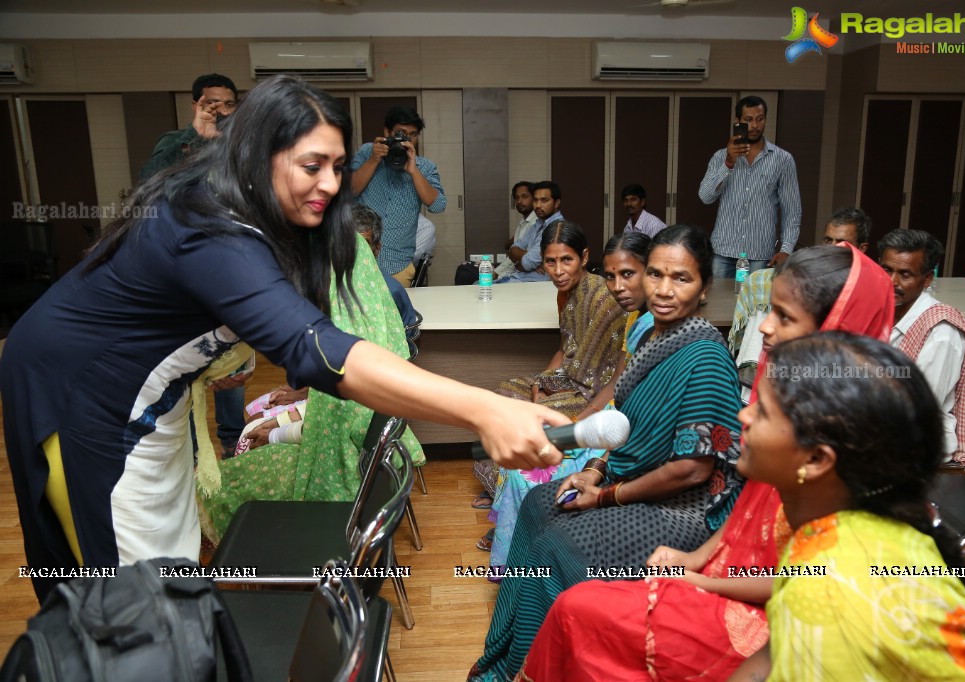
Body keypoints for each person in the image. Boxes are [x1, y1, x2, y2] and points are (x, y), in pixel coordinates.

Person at [0, 75, 567, 602]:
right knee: (129, 594)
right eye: (311, 164)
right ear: (257, 157)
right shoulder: (209, 225)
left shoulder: (277, 222)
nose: (329, 184)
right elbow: (316, 347)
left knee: (171, 569)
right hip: (90, 400)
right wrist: (485, 409)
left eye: (339, 166)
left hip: (158, 400)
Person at [517, 242, 895, 682]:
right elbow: (744, 519)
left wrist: (692, 571)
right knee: (542, 515)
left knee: (573, 590)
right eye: (654, 275)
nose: (766, 329)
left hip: (759, 591)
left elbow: (806, 577)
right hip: (722, 563)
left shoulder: (848, 444)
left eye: (785, 317)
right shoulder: (781, 392)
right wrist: (691, 558)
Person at [470, 225, 745, 682]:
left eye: (681, 278)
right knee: (540, 505)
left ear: (705, 289)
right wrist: (595, 470)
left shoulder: (706, 358)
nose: (663, 289)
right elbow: (623, 427)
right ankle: (509, 649)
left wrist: (606, 496)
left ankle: (537, 666)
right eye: (655, 274)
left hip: (684, 510)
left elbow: (692, 470)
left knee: (561, 545)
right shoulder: (649, 337)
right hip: (627, 478)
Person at [729, 333, 965, 680]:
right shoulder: (857, 530)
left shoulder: (829, 591)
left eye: (761, 410)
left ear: (816, 458)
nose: (742, 415)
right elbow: (771, 654)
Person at [197, 231, 425, 543]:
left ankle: (247, 558)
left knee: (227, 482)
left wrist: (273, 433)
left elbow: (329, 428)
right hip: (358, 470)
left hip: (337, 484)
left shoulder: (348, 360)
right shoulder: (371, 343)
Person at [482, 232, 653, 564]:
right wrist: (561, 400)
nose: (617, 286)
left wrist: (579, 427)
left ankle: (515, 522)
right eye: (550, 261)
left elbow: (592, 376)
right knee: (507, 403)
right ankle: (511, 515)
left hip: (600, 408)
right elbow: (588, 364)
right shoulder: (636, 319)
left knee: (533, 433)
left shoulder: (615, 307)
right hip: (602, 410)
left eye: (628, 274)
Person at [472, 221, 627, 511]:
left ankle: (515, 503)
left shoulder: (606, 298)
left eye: (567, 260)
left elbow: (612, 379)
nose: (558, 270)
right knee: (501, 397)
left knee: (529, 420)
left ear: (583, 257)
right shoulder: (565, 293)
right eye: (550, 261)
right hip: (569, 378)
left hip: (595, 394)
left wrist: (572, 416)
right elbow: (565, 349)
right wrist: (539, 383)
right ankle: (500, 491)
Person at [139, 73, 246, 457]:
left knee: (230, 358)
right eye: (210, 102)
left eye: (227, 103)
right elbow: (148, 187)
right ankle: (192, 449)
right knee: (189, 359)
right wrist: (198, 137)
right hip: (183, 268)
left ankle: (234, 444)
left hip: (230, 265)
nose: (219, 109)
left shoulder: (243, 146)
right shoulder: (174, 143)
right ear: (195, 105)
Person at [728, 207, 873, 380]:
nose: (832, 248)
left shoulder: (869, 288)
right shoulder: (810, 277)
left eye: (841, 242)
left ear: (862, 248)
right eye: (828, 240)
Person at [879, 229, 965, 468]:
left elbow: (920, 407)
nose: (892, 282)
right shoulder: (884, 310)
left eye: (905, 274)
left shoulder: (941, 332)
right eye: (886, 270)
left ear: (928, 279)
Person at [698, 95, 801, 280]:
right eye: (748, 120)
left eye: (759, 119)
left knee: (755, 306)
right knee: (717, 306)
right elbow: (705, 197)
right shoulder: (721, 157)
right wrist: (728, 163)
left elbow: (792, 210)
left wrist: (786, 249)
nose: (755, 125)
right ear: (738, 122)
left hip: (760, 254)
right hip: (723, 251)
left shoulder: (783, 160)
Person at [351, 106, 445, 287]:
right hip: (357, 260)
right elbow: (351, 190)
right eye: (400, 133)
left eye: (412, 135)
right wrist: (373, 160)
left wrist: (414, 171)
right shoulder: (367, 152)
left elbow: (438, 205)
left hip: (397, 265)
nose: (405, 140)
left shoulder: (425, 167)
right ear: (387, 132)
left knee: (397, 315)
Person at [138, 73, 239, 182]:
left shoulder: (241, 140)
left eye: (229, 104)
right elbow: (147, 178)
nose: (223, 111)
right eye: (212, 103)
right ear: (195, 107)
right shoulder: (175, 140)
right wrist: (195, 134)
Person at [352, 203, 420, 333]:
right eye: (350, 243)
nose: (356, 252)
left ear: (377, 249)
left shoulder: (391, 290)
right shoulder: (323, 288)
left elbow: (409, 336)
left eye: (364, 245)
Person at [497, 181, 564, 284]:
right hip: (518, 279)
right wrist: (525, 257)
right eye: (535, 200)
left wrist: (521, 261)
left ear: (556, 203)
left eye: (544, 200)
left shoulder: (556, 228)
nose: (538, 205)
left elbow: (526, 264)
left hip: (531, 286)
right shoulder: (537, 224)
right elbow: (512, 249)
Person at [495, 181, 537, 280]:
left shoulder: (536, 223)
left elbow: (522, 260)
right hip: (514, 272)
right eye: (517, 197)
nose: (519, 201)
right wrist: (495, 272)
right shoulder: (523, 221)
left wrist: (497, 274)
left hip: (525, 277)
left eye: (524, 196)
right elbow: (513, 255)